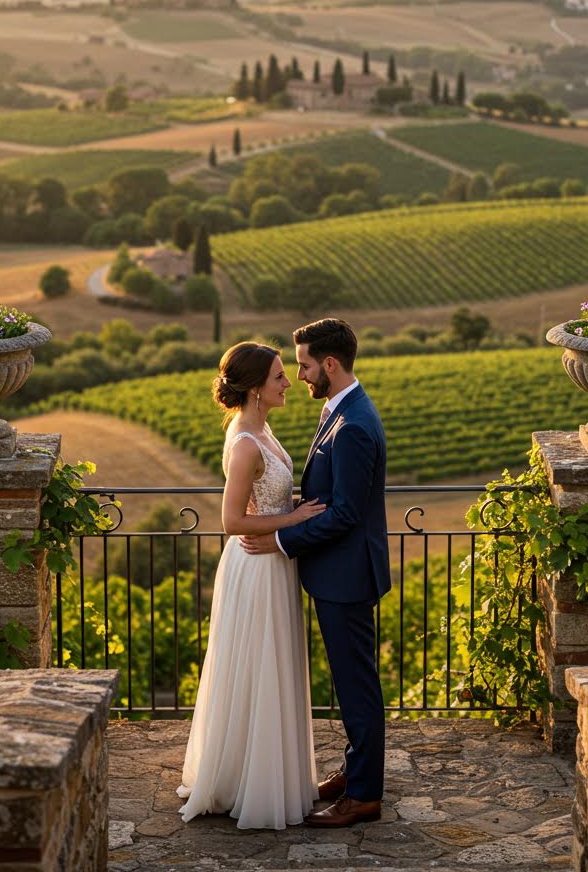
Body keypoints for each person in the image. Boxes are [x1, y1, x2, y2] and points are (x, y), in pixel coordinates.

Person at [241, 317, 391, 828]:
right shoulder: (339, 410)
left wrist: (279, 539)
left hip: (347, 577)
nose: (300, 375)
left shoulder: (352, 426)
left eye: (303, 365)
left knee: (357, 687)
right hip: (338, 573)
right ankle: (355, 772)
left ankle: (365, 795)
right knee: (353, 683)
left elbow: (345, 513)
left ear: (329, 364)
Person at [177, 341, 325, 829]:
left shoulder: (263, 429)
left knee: (270, 666)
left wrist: (294, 509)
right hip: (257, 566)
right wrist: (293, 519)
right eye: (280, 377)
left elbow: (272, 494)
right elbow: (231, 521)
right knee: (257, 666)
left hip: (274, 563)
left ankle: (261, 774)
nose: (288, 383)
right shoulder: (244, 443)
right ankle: (247, 782)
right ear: (257, 389)